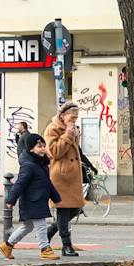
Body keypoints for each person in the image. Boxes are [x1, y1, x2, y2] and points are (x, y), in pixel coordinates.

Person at [0, 134, 62, 260]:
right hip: (32, 201)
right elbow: (20, 183)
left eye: (44, 146)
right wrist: (11, 200)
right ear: (31, 149)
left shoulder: (41, 164)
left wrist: (56, 198)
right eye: (39, 146)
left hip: (38, 200)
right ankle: (45, 249)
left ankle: (7, 245)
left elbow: (47, 183)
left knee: (27, 227)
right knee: (41, 225)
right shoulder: (29, 165)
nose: (43, 149)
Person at [44, 104, 85, 257]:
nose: (74, 120)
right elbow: (54, 152)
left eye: (76, 117)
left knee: (75, 209)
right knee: (63, 210)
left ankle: (48, 233)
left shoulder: (72, 129)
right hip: (61, 177)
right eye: (72, 117)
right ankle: (66, 245)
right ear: (63, 116)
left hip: (73, 177)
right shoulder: (52, 129)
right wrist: (68, 134)